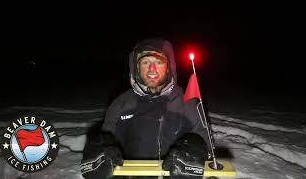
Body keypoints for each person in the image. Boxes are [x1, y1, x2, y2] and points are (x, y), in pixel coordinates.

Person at [81, 38, 212, 179]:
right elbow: (103, 142)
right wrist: (97, 152)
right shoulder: (120, 104)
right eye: (145, 62)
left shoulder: (188, 103)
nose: (152, 69)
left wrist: (195, 150)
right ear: (136, 67)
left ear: (168, 67)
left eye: (158, 62)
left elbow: (207, 147)